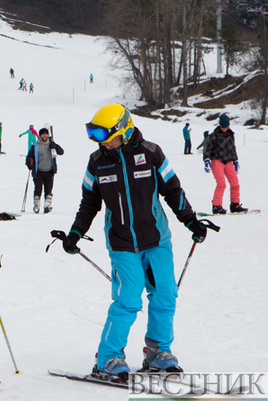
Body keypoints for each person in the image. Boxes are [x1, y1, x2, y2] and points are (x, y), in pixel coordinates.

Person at [61, 103, 207, 380]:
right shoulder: (97, 162)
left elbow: (173, 190)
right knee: (128, 299)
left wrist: (191, 220)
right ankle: (109, 357)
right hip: (122, 243)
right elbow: (89, 202)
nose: (99, 141)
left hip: (157, 240)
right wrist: (75, 233)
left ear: (124, 130)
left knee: (165, 295)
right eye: (94, 135)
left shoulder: (151, 153)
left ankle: (158, 352)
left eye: (104, 135)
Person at [204, 114, 247, 214]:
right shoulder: (214, 135)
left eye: (226, 126)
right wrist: (206, 159)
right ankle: (216, 206)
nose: (225, 128)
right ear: (220, 125)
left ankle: (235, 205)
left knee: (235, 183)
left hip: (228, 161)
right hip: (217, 160)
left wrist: (235, 161)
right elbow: (208, 149)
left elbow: (233, 149)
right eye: (223, 126)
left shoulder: (231, 135)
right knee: (221, 184)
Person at [25, 127, 63, 213]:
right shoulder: (35, 146)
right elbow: (29, 156)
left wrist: (56, 146)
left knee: (48, 189)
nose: (45, 136)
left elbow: (61, 152)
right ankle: (36, 205)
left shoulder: (51, 145)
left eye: (46, 134)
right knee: (38, 188)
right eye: (43, 134)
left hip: (50, 171)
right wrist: (29, 163)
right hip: (38, 171)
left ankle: (47, 205)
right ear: (40, 135)